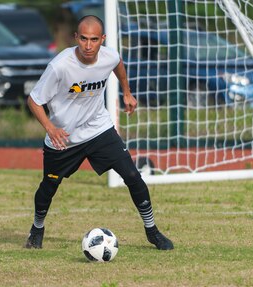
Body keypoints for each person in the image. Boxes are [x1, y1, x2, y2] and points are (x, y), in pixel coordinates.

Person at [24, 15, 173, 251]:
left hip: (99, 129)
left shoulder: (108, 56)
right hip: (65, 137)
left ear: (102, 39)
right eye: (83, 39)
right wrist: (51, 129)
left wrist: (127, 92)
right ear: (76, 38)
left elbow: (117, 64)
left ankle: (152, 231)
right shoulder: (59, 66)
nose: (89, 45)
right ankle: (37, 228)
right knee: (48, 187)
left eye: (94, 39)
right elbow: (33, 100)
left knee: (133, 177)